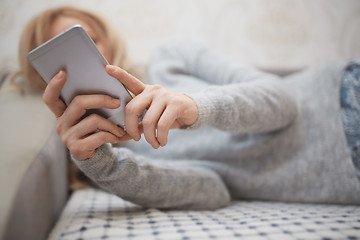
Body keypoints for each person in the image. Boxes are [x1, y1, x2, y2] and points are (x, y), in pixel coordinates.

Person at [15, 6, 360, 210]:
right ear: (46, 81)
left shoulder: (171, 57)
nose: (80, 62)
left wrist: (195, 107)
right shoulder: (107, 160)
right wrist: (100, 165)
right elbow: (213, 191)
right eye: (59, 61)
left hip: (343, 91)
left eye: (87, 39)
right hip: (349, 176)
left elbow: (283, 100)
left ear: (107, 40)